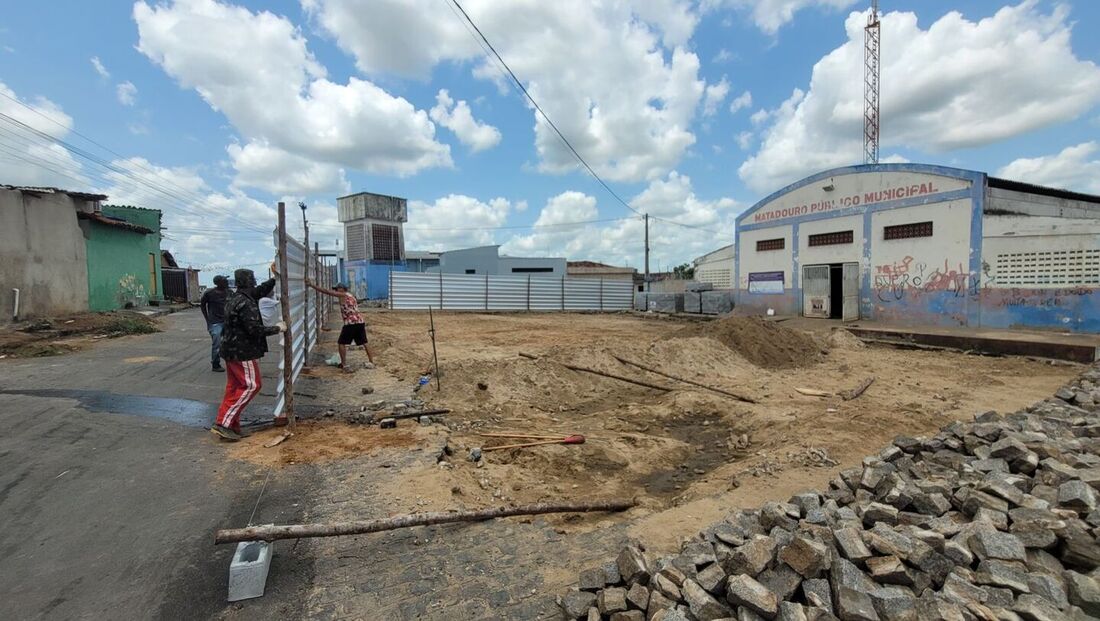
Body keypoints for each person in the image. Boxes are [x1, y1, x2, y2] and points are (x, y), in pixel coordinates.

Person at [210, 267, 285, 441]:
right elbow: (254, 330)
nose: (255, 283)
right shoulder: (245, 303)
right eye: (253, 280)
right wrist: (278, 328)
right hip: (242, 352)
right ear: (249, 282)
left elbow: (258, 291)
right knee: (252, 385)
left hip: (231, 350)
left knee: (235, 387)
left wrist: (274, 278)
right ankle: (223, 423)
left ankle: (231, 425)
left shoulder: (235, 297)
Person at [306, 279, 375, 372]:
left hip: (351, 323)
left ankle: (344, 365)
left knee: (341, 343)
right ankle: (371, 362)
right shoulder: (351, 295)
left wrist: (312, 285)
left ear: (342, 289)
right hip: (359, 321)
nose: (335, 291)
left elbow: (326, 291)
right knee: (364, 342)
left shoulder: (342, 295)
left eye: (336, 289)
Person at [199, 275, 230, 372]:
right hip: (215, 322)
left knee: (230, 342)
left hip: (228, 321)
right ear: (218, 283)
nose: (227, 283)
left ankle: (231, 364)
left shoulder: (229, 292)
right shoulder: (210, 293)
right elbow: (202, 305)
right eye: (224, 281)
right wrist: (207, 320)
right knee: (217, 344)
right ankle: (216, 364)